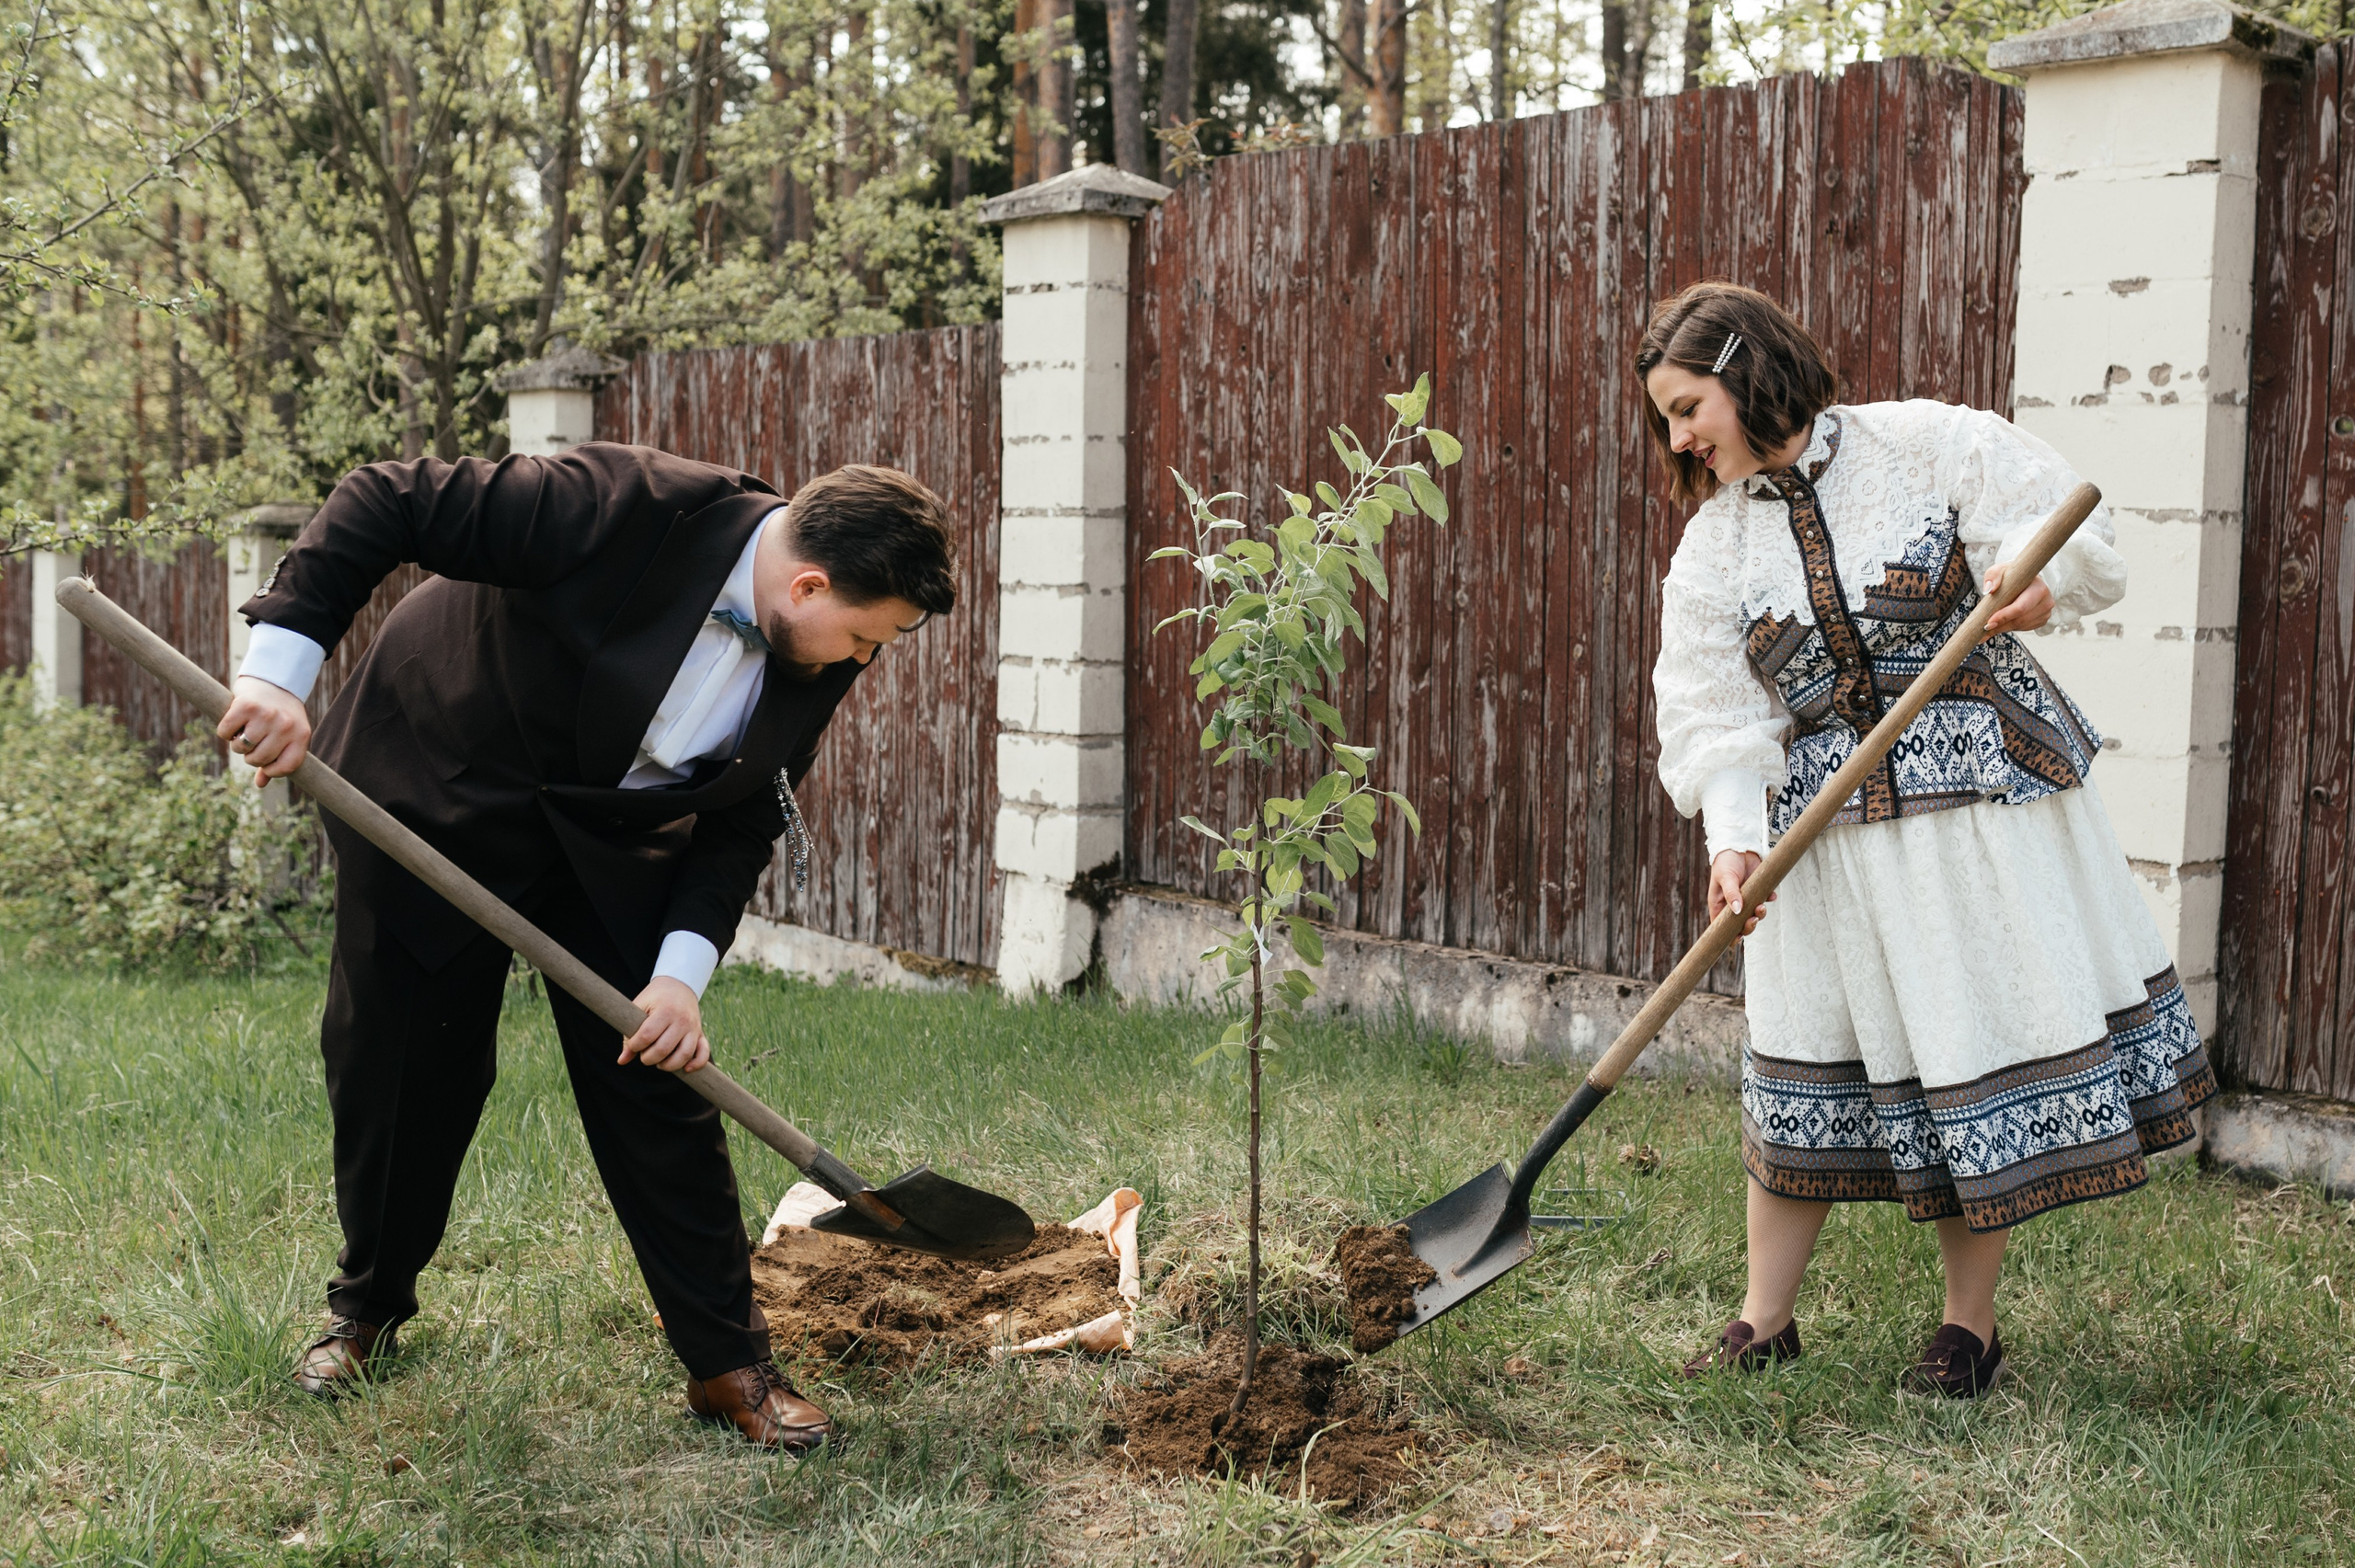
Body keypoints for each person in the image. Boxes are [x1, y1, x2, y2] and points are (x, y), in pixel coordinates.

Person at [220, 443, 957, 1449]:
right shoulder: (624, 506)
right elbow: (380, 499)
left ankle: (727, 1362)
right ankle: (368, 1309)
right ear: (809, 582)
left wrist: (678, 978)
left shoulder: (813, 644)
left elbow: (740, 821)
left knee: (659, 1077)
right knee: (404, 1066)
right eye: (867, 636)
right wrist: (279, 672)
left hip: (605, 832)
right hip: (440, 783)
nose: (864, 660)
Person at [1641, 282, 2214, 1399]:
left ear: (1749, 372)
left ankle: (1968, 1328)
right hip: (1824, 831)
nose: (1678, 438)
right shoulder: (1712, 550)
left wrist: (2034, 590)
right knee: (1796, 1059)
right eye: (1665, 419)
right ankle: (1764, 1318)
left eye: (1686, 405)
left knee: (1960, 1050)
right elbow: (1712, 711)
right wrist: (1732, 840)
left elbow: (2074, 540)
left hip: (1970, 818)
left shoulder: (1928, 444)